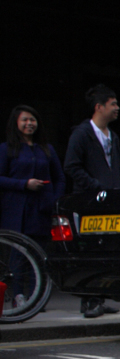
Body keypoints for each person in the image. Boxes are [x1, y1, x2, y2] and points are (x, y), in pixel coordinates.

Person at [64, 84, 120, 317]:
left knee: (107, 249)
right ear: (99, 107)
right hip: (89, 201)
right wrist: (94, 186)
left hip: (111, 199)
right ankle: (89, 300)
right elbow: (71, 166)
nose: (117, 108)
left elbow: (116, 167)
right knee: (89, 250)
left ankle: (101, 296)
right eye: (113, 104)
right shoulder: (81, 134)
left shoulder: (113, 136)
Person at [0, 105, 65, 311]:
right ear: (16, 123)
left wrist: (54, 199)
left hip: (41, 208)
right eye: (25, 120)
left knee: (39, 253)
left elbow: (60, 178)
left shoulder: (46, 149)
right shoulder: (6, 149)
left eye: (33, 120)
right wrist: (24, 184)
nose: (29, 124)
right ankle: (19, 296)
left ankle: (36, 297)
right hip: (17, 209)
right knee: (18, 254)